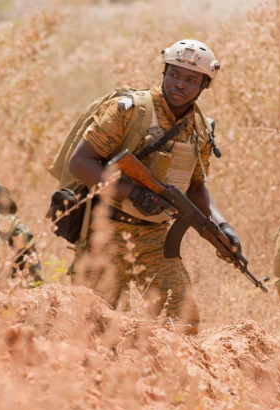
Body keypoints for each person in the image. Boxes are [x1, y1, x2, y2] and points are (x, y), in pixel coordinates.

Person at [67, 39, 241, 334]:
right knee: (90, 326)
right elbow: (80, 163)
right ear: (164, 73)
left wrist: (221, 227)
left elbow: (196, 187)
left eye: (191, 80)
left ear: (204, 85)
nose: (180, 84)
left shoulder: (200, 129)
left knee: (182, 323)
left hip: (155, 237)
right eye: (174, 74)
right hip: (105, 230)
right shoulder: (128, 111)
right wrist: (133, 192)